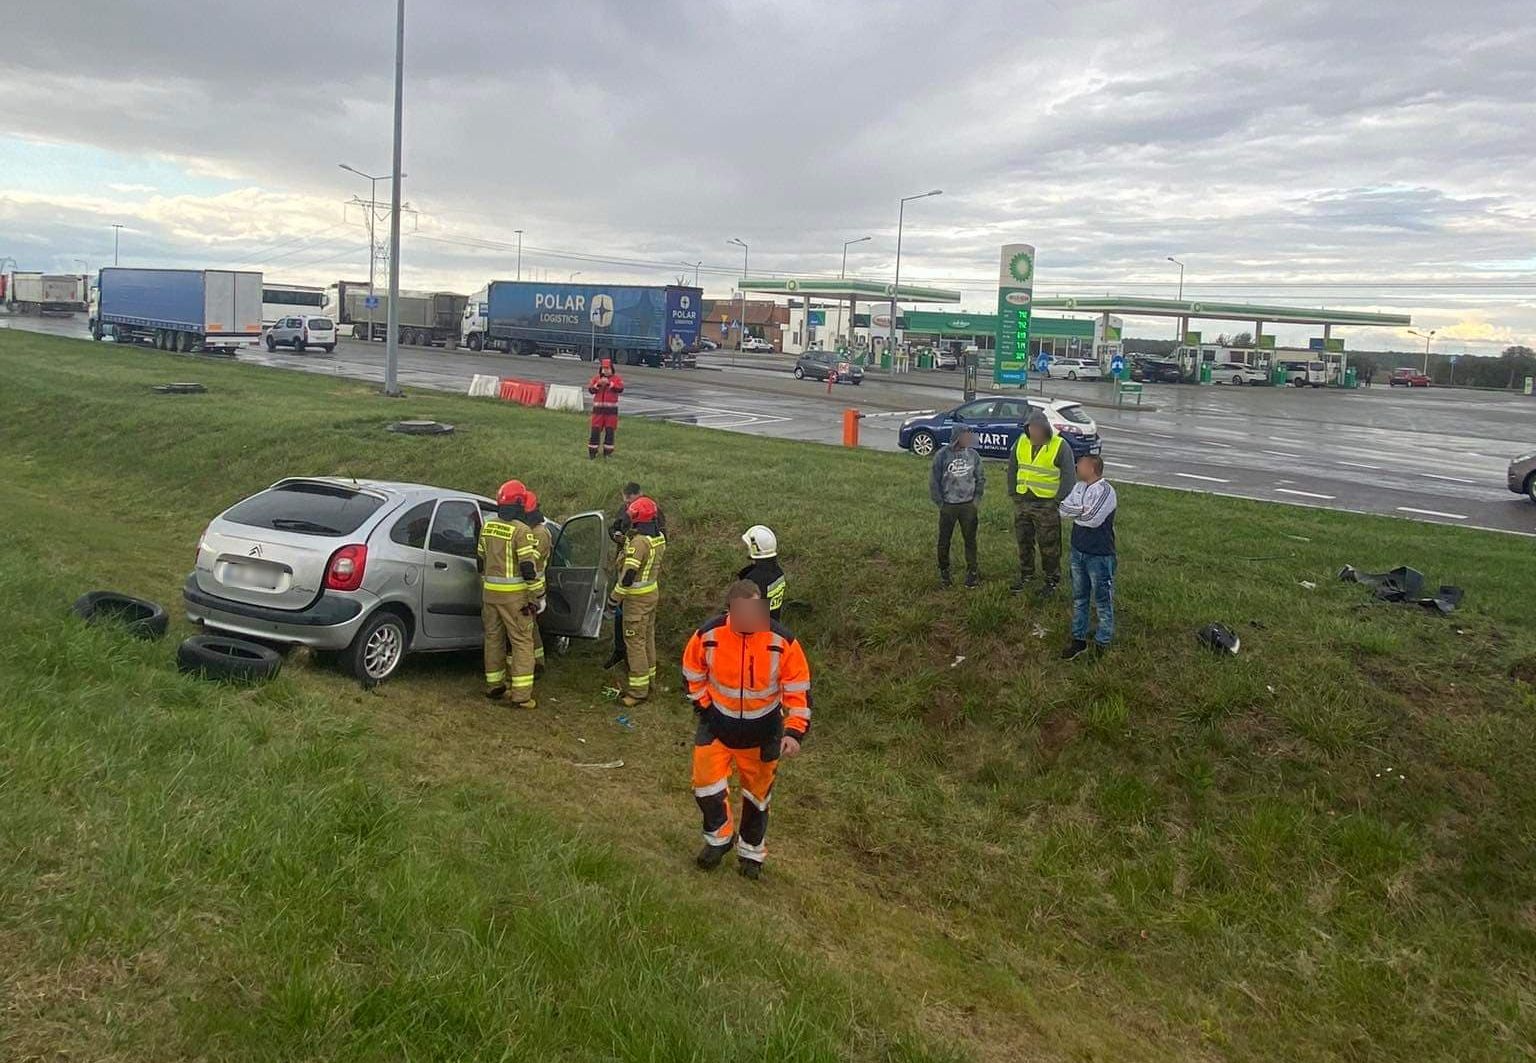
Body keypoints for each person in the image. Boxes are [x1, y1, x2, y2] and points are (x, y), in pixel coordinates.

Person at [681, 580, 812, 881]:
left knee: (757, 798)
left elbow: (799, 689)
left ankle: (751, 854)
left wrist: (794, 731)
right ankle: (718, 839)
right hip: (717, 729)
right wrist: (706, 708)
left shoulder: (782, 641)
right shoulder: (707, 636)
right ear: (730, 611)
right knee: (705, 787)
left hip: (763, 733)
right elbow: (691, 672)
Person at [477, 480, 544, 708]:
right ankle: (521, 695)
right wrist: (539, 595)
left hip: (489, 595)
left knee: (493, 639)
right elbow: (528, 569)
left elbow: (480, 559)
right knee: (522, 642)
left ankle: (494, 685)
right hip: (514, 597)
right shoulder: (522, 530)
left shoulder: (487, 526)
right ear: (518, 504)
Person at [1007, 411, 1076, 596]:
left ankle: (1051, 579)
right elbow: (1013, 466)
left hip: (1047, 504)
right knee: (1023, 541)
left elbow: (1069, 476)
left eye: (1037, 429)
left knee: (1050, 545)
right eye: (1031, 429)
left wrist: (1057, 500)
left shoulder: (1060, 446)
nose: (1034, 433)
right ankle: (1026, 574)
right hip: (1023, 501)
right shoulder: (1021, 441)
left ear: (1045, 429)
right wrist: (1013, 492)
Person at [1058, 454, 1118, 659]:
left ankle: (1103, 642)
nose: (1077, 466)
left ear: (1092, 468)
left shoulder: (1106, 491)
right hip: (1078, 551)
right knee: (1079, 598)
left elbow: (1092, 520)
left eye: (1081, 464)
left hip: (1099, 555)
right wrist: (1080, 510)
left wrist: (1078, 512)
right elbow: (1063, 509)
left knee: (1103, 600)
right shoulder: (1079, 487)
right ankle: (1079, 639)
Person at [610, 495, 666, 706]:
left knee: (634, 642)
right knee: (647, 638)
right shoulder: (658, 537)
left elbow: (629, 575)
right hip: (651, 594)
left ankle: (638, 691)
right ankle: (650, 679)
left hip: (636, 600)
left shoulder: (639, 543)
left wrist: (614, 599)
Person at [929, 424, 984, 588]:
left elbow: (980, 478)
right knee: (944, 540)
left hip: (968, 505)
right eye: (965, 435)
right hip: (948, 505)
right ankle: (944, 571)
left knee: (970, 540)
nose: (969, 438)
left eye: (970, 435)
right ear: (957, 436)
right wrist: (940, 503)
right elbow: (934, 481)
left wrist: (976, 500)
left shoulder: (973, 455)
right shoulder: (942, 455)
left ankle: (972, 572)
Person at [520, 489, 554, 677]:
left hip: (533, 588)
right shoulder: (528, 530)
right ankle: (538, 661)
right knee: (530, 627)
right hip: (526, 587)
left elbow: (528, 562)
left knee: (525, 628)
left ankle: (535, 664)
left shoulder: (540, 533)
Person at [737, 524, 787, 620]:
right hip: (773, 628)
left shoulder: (753, 580)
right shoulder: (778, 572)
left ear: (755, 548)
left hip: (756, 631)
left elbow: (742, 620)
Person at [587, 357, 625, 459]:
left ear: (612, 369)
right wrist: (598, 385)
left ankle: (607, 453)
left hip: (611, 412)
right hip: (598, 412)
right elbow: (591, 390)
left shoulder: (617, 379)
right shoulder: (596, 378)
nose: (605, 371)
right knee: (595, 432)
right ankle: (592, 452)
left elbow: (620, 388)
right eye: (604, 369)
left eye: (607, 369)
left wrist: (609, 384)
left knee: (610, 432)